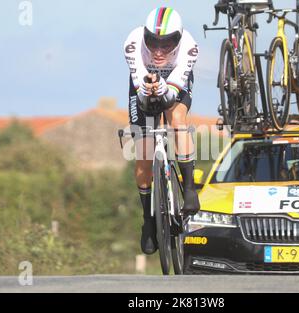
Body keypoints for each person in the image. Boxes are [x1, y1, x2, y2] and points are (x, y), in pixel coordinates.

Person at [123, 7, 200, 255]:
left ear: (177, 40)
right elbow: (141, 91)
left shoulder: (190, 47)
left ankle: (189, 188)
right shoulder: (132, 45)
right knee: (144, 152)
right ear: (144, 36)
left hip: (175, 85)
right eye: (153, 42)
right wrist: (149, 89)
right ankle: (148, 220)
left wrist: (164, 89)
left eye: (166, 44)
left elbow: (173, 93)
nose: (158, 50)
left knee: (177, 119)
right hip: (143, 87)